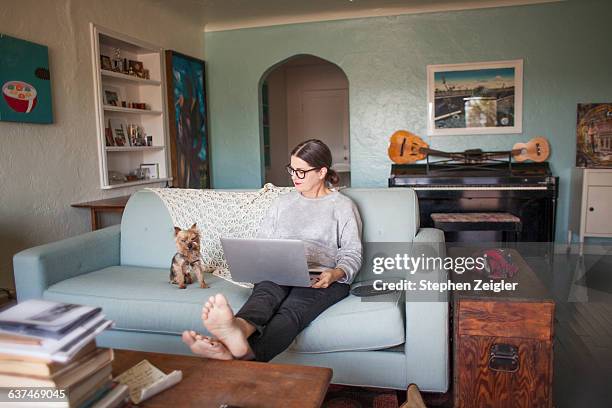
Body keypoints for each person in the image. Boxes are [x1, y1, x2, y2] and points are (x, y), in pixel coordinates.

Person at [182, 139, 362, 361]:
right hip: (280, 271)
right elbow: (263, 243)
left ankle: (236, 352)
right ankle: (236, 329)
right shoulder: (281, 203)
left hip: (324, 277)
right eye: (292, 169)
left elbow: (353, 252)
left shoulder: (343, 206)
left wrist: (336, 273)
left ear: (321, 172)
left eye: (301, 171)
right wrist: (260, 263)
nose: (294, 176)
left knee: (291, 311)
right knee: (264, 297)